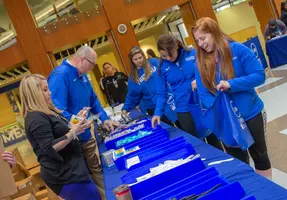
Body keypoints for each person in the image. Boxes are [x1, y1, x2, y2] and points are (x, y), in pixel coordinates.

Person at [191, 17, 272, 179]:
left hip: (251, 114)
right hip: (226, 121)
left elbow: (259, 76)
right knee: (238, 161)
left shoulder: (238, 50)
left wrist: (231, 85)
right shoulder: (200, 62)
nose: (200, 44)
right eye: (197, 40)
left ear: (214, 33)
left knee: (259, 156)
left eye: (203, 38)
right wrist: (216, 106)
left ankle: (266, 190)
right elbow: (203, 93)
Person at [48, 46, 119, 196]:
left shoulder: (83, 75)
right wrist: (76, 122)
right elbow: (56, 109)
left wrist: (104, 119)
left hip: (87, 136)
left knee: (99, 173)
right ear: (82, 60)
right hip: (74, 141)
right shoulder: (60, 75)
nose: (93, 68)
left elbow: (93, 99)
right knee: (91, 179)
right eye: (92, 64)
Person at [20, 74, 101, 200]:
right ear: (35, 93)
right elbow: (50, 147)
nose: (50, 92)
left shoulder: (46, 111)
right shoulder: (35, 118)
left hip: (74, 169)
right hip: (65, 175)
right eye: (45, 90)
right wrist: (73, 132)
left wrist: (77, 121)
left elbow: (61, 132)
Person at [152, 35, 223, 150]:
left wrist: (200, 80)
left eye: (171, 54)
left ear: (176, 45)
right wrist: (157, 113)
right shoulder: (161, 68)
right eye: (164, 56)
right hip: (183, 109)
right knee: (196, 146)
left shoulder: (193, 54)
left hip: (202, 104)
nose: (169, 58)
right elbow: (161, 94)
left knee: (214, 141)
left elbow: (211, 72)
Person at [122, 46, 176, 127]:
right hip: (152, 107)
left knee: (181, 123)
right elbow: (132, 96)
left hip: (168, 99)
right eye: (135, 59)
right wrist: (125, 108)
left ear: (143, 56)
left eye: (140, 58)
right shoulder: (133, 77)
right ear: (131, 61)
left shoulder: (154, 62)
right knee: (168, 129)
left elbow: (168, 71)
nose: (138, 61)